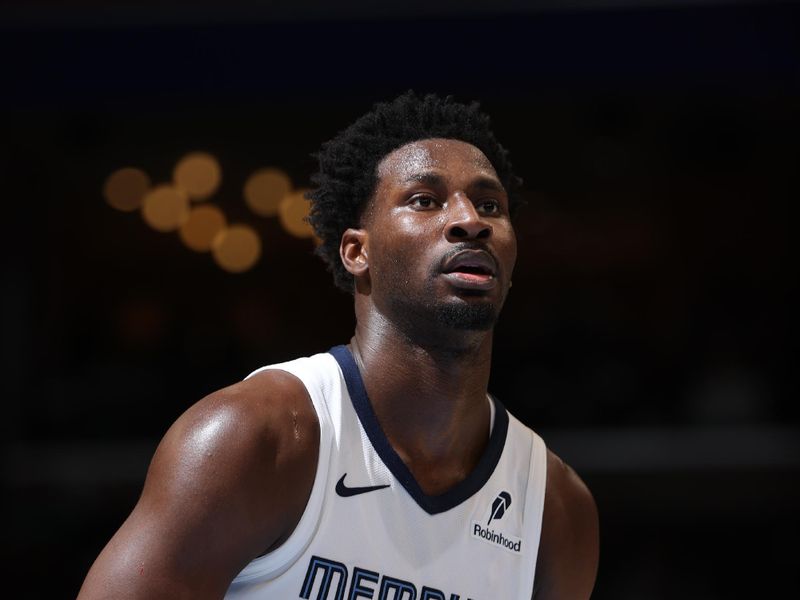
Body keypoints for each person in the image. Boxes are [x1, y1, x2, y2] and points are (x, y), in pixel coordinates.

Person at [78, 92, 599, 600]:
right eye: (425, 200)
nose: (471, 220)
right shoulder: (255, 438)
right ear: (357, 251)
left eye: (490, 205)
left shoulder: (554, 508)